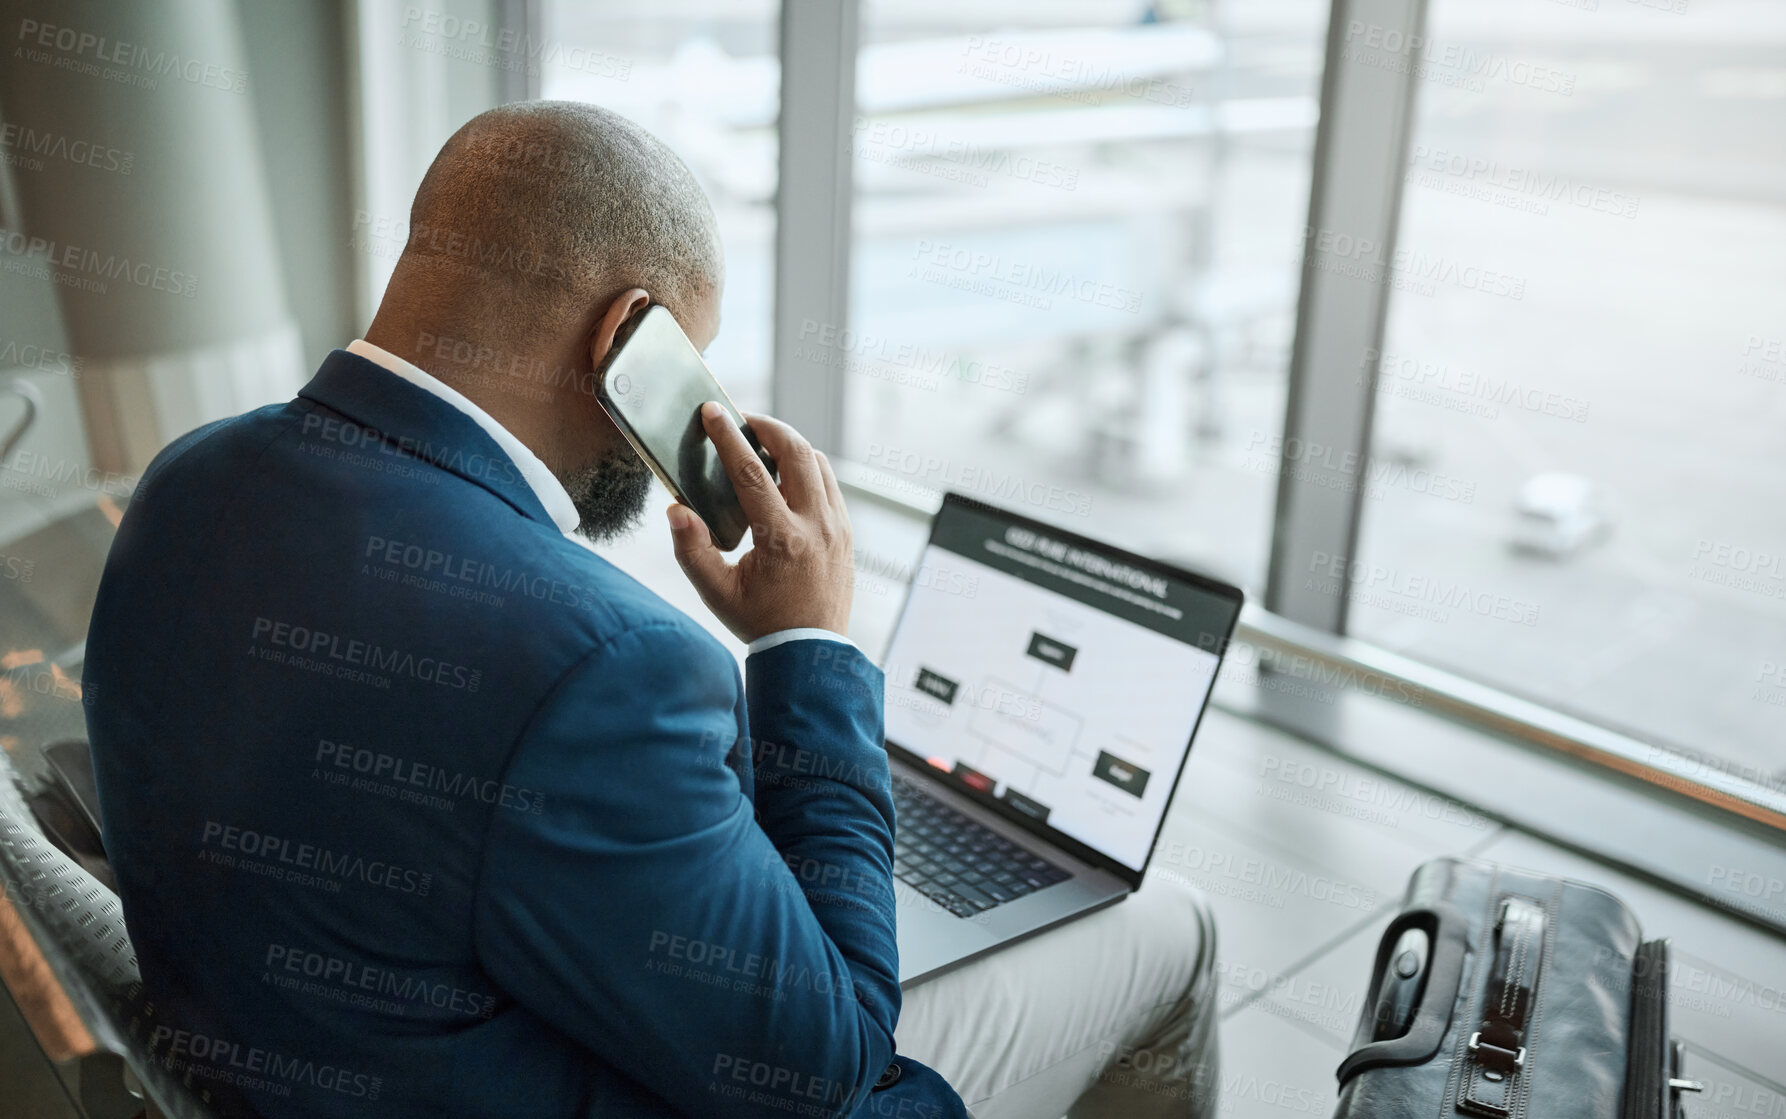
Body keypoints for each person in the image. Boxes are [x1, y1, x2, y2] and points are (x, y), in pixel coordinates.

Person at [84, 101, 1217, 1118]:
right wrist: (805, 643)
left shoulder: (187, 479)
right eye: (693, 354)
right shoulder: (600, 659)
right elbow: (824, 1069)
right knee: (1169, 923)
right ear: (622, 335)